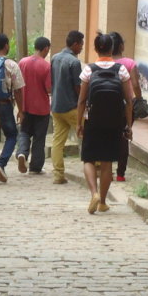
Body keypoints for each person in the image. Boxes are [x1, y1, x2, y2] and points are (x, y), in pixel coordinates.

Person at [77, 32, 133, 214]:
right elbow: (129, 101)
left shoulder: (89, 69)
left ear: (96, 49)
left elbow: (82, 100)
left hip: (92, 121)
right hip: (114, 122)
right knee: (107, 161)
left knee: (88, 158)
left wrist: (79, 123)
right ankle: (102, 202)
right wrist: (128, 125)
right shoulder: (121, 70)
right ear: (112, 48)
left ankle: (93, 193)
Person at [0, 32, 25, 182]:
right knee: (12, 135)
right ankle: (0, 163)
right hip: (4, 105)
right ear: (6, 45)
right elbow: (18, 89)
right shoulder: (11, 64)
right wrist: (21, 110)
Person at [50, 30, 84, 185]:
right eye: (81, 44)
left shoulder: (55, 58)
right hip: (71, 107)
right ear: (75, 44)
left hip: (56, 106)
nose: (82, 48)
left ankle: (58, 175)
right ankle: (94, 167)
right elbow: (78, 87)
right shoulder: (74, 62)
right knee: (85, 135)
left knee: (57, 141)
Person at [17, 36, 51, 175]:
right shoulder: (46, 66)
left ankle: (22, 153)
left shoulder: (22, 62)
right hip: (41, 107)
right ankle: (35, 167)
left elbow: (16, 83)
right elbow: (49, 88)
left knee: (24, 132)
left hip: (24, 105)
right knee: (39, 137)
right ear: (46, 49)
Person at [110, 31, 141, 183]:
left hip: (107, 105)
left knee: (108, 137)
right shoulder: (129, 63)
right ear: (121, 46)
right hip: (126, 105)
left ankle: (106, 170)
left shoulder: (103, 63)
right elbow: (135, 84)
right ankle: (120, 174)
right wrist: (139, 99)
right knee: (124, 136)